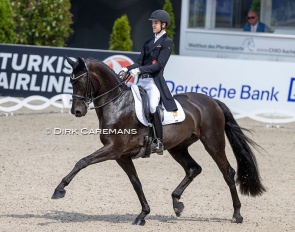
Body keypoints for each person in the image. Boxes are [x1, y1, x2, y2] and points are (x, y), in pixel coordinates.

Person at [122, 9, 178, 155]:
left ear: (164, 25)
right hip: (141, 81)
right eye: (153, 23)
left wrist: (139, 70)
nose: (153, 25)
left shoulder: (166, 43)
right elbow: (139, 61)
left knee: (153, 107)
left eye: (156, 23)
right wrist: (127, 68)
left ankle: (158, 141)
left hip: (154, 82)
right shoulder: (148, 41)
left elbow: (159, 65)